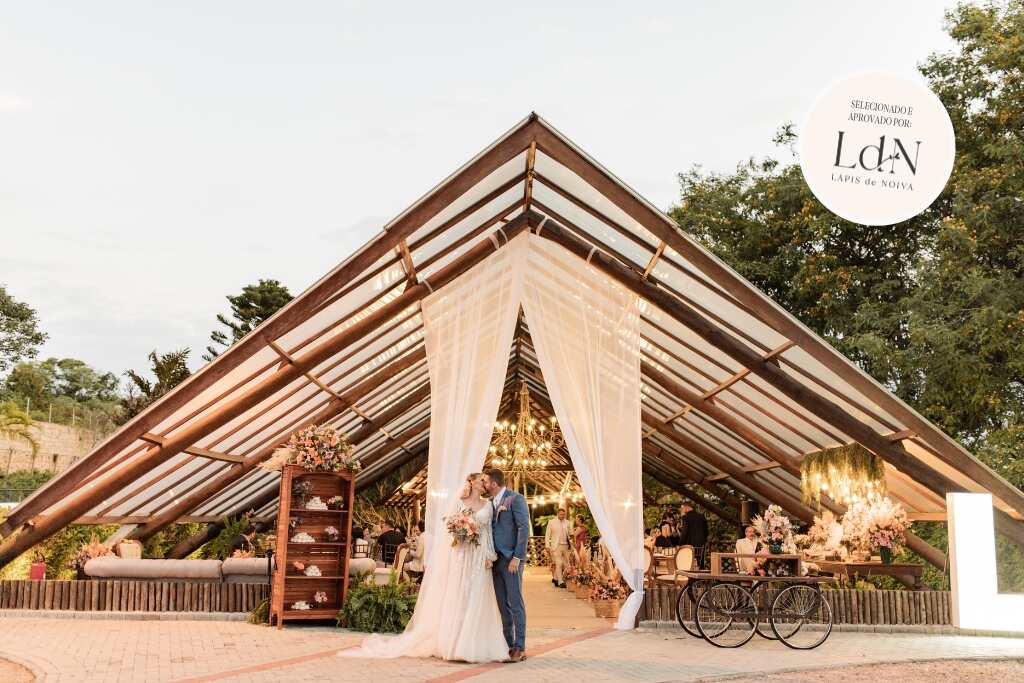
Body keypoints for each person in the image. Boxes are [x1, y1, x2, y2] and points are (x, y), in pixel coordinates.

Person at [341, 472, 509, 663]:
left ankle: (474, 642)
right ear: (472, 483)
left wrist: (490, 555)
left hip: (479, 558)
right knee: (460, 595)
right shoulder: (460, 503)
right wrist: (460, 533)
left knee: (477, 595)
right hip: (461, 556)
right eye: (481, 480)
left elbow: (488, 533)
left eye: (485, 481)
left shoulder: (488, 504)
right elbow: (450, 528)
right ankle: (454, 643)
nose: (484, 483)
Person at [484, 468, 530, 663]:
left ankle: (520, 647)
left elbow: (523, 527)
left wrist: (517, 558)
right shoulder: (489, 503)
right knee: (503, 605)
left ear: (494, 483)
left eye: (485, 481)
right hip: (495, 561)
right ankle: (508, 645)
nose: (483, 485)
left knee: (515, 603)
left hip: (511, 560)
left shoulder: (515, 499)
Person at [544, 508, 571, 588]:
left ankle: (555, 578)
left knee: (565, 564)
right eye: (561, 514)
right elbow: (547, 535)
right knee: (559, 563)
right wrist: (547, 545)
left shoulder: (567, 522)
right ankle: (560, 582)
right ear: (557, 514)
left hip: (565, 545)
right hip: (556, 546)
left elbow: (570, 534)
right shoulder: (551, 522)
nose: (562, 516)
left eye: (563, 514)